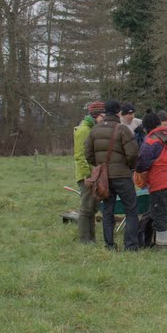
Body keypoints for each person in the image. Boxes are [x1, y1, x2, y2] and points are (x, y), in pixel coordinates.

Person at [86, 100, 140, 250]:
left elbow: (88, 154)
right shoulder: (122, 129)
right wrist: (129, 167)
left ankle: (109, 245)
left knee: (108, 211)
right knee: (131, 209)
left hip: (104, 179)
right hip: (122, 176)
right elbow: (133, 153)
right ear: (118, 112)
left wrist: (99, 166)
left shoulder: (94, 130)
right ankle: (131, 245)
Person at [136, 111, 167, 250]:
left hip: (159, 182)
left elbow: (142, 163)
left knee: (159, 214)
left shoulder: (151, 141)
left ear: (146, 128)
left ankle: (161, 244)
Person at [73, 100, 105, 244]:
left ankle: (92, 238)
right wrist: (87, 176)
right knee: (86, 208)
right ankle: (85, 239)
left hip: (94, 175)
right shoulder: (83, 130)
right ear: (96, 115)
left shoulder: (92, 128)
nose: (103, 120)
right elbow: (80, 156)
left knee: (92, 208)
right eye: (102, 117)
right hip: (87, 176)